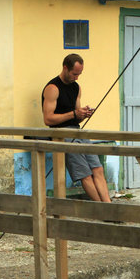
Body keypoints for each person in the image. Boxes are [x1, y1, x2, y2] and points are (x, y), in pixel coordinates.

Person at [41, 53, 111, 202]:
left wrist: (83, 114)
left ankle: (109, 205)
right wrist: (74, 113)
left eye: (79, 74)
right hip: (61, 133)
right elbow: (48, 119)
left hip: (77, 131)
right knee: (84, 174)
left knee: (97, 169)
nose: (77, 77)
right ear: (65, 68)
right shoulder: (53, 88)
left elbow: (76, 114)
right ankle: (102, 209)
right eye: (74, 74)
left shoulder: (76, 88)